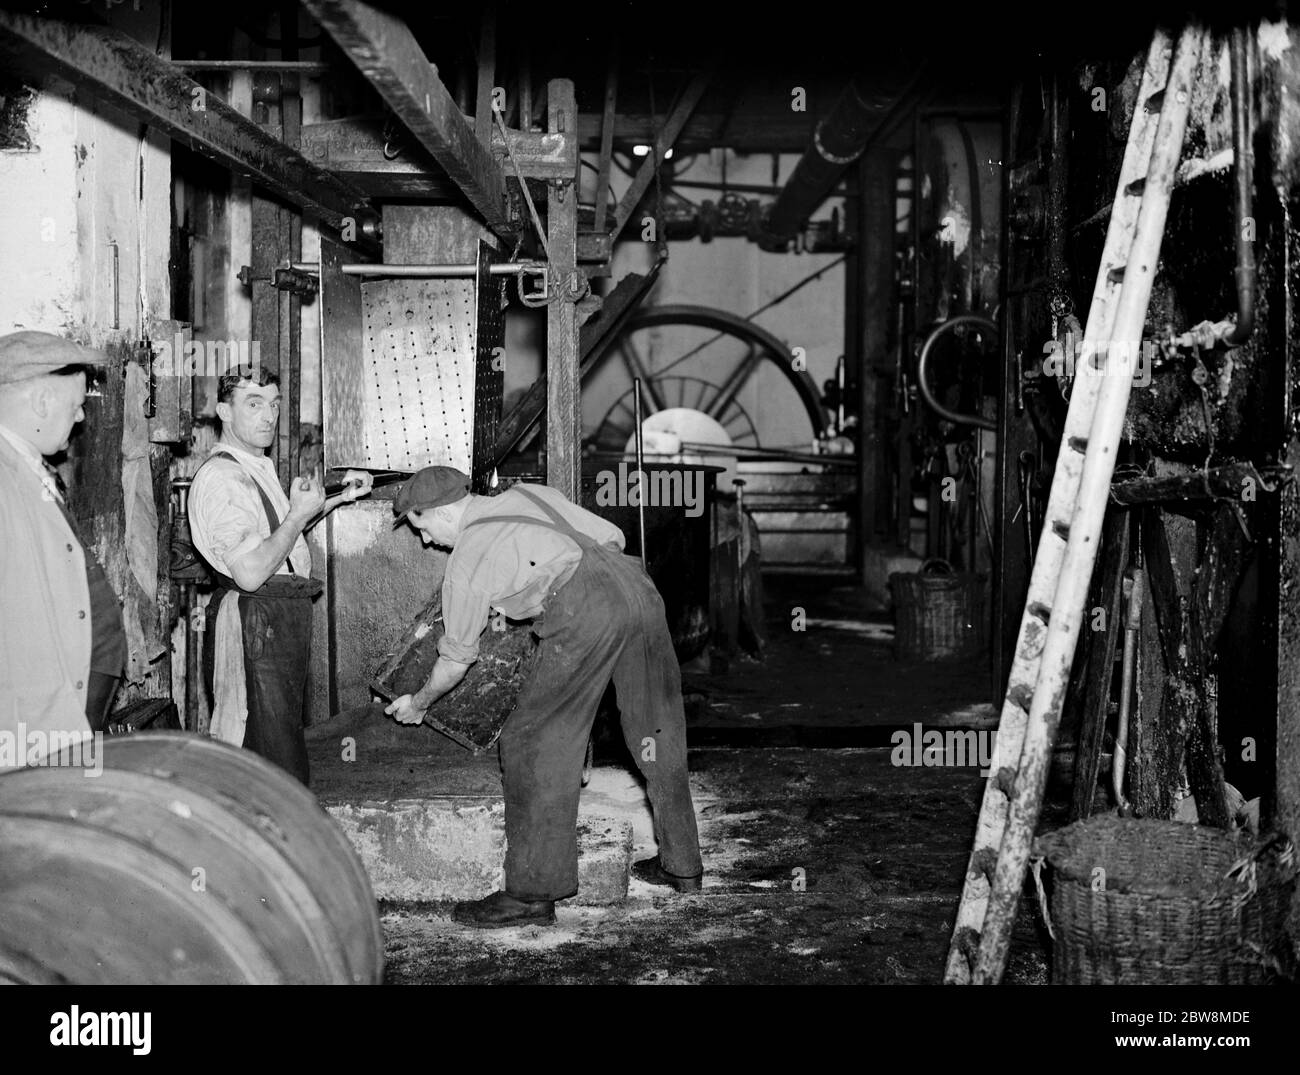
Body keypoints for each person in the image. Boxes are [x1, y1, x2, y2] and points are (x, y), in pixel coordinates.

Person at [387, 466, 703, 927]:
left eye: (423, 528)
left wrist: (418, 703)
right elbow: (605, 536)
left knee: (533, 741)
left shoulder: (468, 557)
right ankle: (683, 865)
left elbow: (456, 661)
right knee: (658, 730)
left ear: (439, 511)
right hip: (638, 587)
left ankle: (532, 895)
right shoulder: (527, 494)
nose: (427, 541)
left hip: (584, 607)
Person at [189, 365, 372, 784]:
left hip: (277, 619)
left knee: (281, 747)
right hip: (254, 620)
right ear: (224, 411)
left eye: (274, 404)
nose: (269, 415)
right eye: (253, 404)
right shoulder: (222, 478)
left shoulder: (254, 466)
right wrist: (297, 517)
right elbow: (252, 572)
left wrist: (338, 497)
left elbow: (276, 537)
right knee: (261, 756)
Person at [0, 331, 126, 754]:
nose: (80, 419)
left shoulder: (26, 464)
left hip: (56, 712)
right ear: (40, 402)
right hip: (26, 725)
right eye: (75, 407)